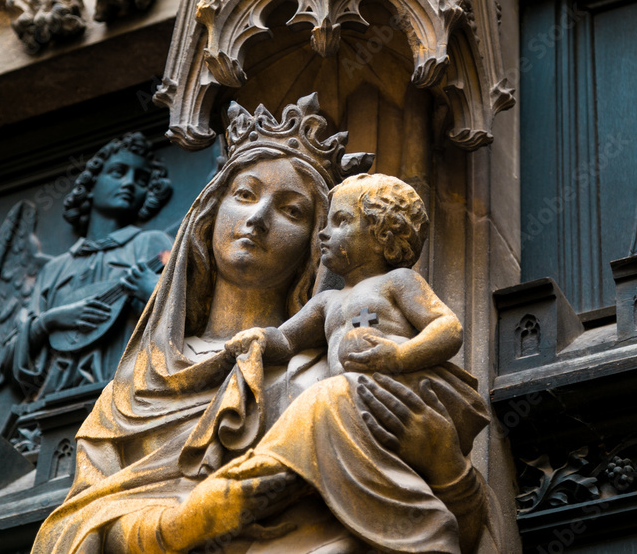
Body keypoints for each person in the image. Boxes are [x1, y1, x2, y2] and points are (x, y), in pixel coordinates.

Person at [30, 96, 498, 554]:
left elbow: (462, 530)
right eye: (245, 194)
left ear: (317, 246)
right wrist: (193, 518)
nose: (257, 218)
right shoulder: (132, 391)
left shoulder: (342, 371)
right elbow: (74, 530)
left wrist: (446, 466)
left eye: (292, 210)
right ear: (208, 215)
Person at [179, 173, 487, 553]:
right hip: (353, 401)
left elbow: (447, 327)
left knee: (326, 403)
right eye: (325, 224)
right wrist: (260, 337)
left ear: (384, 235)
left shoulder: (399, 282)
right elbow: (288, 338)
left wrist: (399, 355)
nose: (324, 234)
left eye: (341, 222)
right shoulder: (328, 302)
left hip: (397, 387)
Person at [14, 132, 173, 399]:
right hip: (53, 402)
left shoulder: (152, 244)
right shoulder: (53, 271)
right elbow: (12, 355)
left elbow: (192, 316)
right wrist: (51, 321)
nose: (130, 183)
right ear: (91, 183)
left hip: (128, 397)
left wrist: (150, 291)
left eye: (142, 179)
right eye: (118, 172)